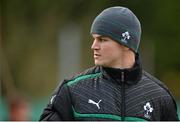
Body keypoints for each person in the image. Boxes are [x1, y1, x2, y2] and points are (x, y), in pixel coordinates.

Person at [39, 6, 179, 121]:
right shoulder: (72, 91)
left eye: (102, 39)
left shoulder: (159, 97)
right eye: (94, 39)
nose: (94, 46)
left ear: (126, 43)